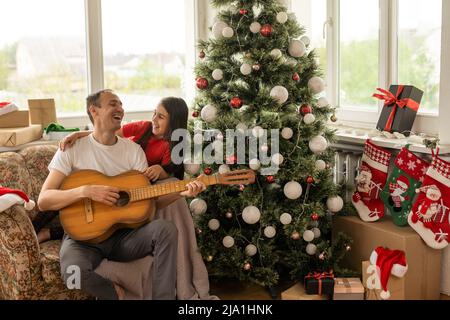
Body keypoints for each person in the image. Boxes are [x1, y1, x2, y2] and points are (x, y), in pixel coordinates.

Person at [37, 89, 206, 300]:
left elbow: (151, 201)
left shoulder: (134, 151)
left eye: (121, 104)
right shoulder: (71, 149)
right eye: (113, 104)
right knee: (73, 275)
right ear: (94, 111)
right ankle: (115, 295)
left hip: (123, 237)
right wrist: (85, 191)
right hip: (82, 239)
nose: (120, 109)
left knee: (165, 230)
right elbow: (44, 201)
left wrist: (182, 191)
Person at [35, 97, 189, 243]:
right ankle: (33, 229)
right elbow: (110, 133)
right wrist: (79, 134)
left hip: (138, 185)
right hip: (118, 173)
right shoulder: (144, 127)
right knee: (68, 191)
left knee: (102, 217)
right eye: (154, 113)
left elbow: (170, 171)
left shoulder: (176, 145)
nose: (154, 119)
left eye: (160, 117)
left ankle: (51, 233)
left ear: (174, 121)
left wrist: (160, 170)